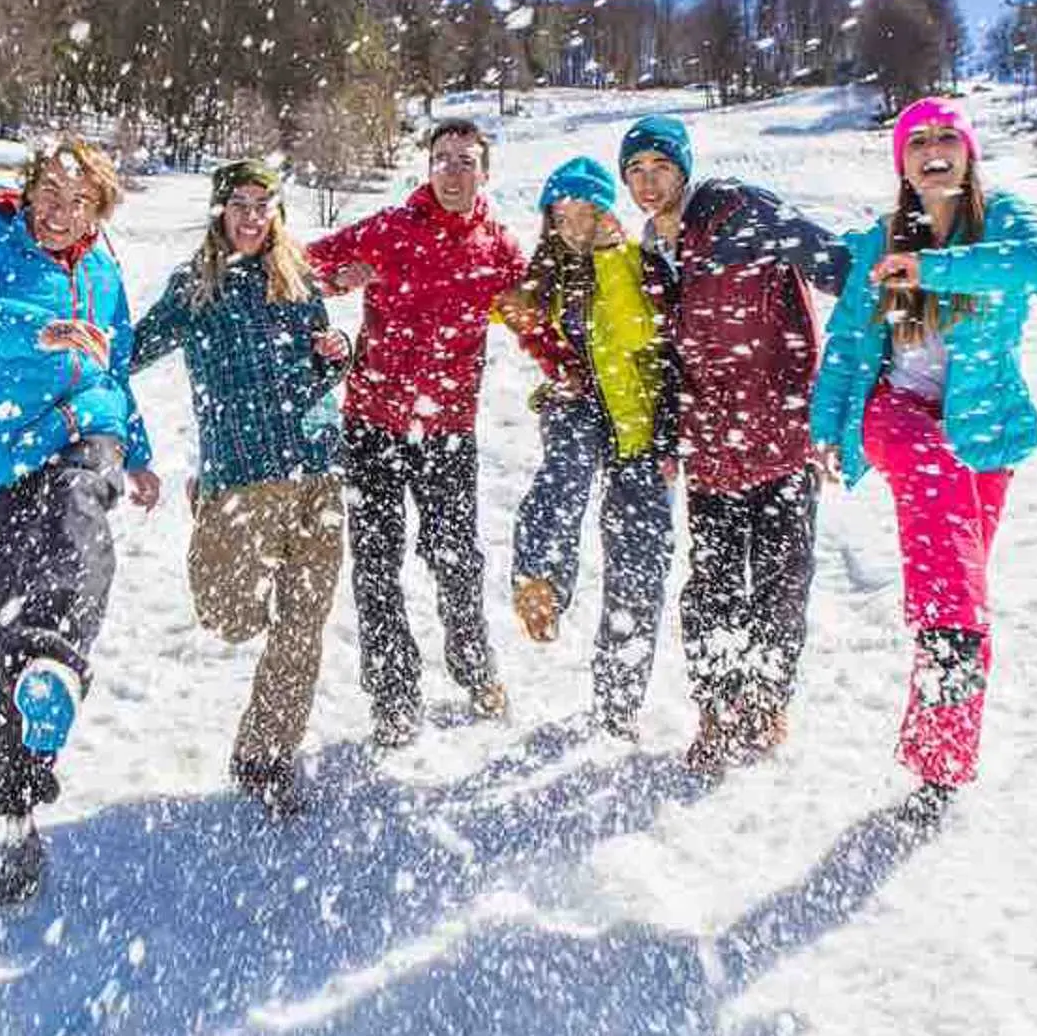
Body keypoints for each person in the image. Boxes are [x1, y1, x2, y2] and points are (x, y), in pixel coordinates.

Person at [811, 97, 1037, 820]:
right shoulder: (879, 241)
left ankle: (940, 763)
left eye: (946, 138)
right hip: (896, 415)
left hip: (982, 429)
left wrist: (935, 268)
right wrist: (824, 427)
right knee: (954, 601)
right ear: (901, 162)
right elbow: (844, 342)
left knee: (959, 577)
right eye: (917, 141)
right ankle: (953, 649)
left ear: (968, 152)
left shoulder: (1005, 224)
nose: (932, 150)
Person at [0, 138, 161, 904]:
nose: (56, 214)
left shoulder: (102, 270)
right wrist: (37, 328)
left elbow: (114, 367)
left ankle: (57, 658)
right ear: (28, 190)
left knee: (78, 520)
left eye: (76, 202)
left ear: (99, 211)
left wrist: (141, 448)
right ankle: (18, 811)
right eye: (48, 196)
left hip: (81, 429)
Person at [620, 114, 850, 775]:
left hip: (781, 437)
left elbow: (833, 263)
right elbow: (668, 357)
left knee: (781, 579)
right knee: (713, 586)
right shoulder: (652, 256)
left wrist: (834, 410)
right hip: (711, 446)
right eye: (635, 171)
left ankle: (768, 698)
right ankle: (718, 707)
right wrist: (669, 432)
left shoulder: (736, 211)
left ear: (683, 169)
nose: (648, 181)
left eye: (660, 166)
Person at [131, 160, 351, 816]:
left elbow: (319, 364)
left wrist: (337, 352)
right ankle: (211, 528)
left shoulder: (298, 277)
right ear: (219, 211)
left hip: (317, 469)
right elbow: (130, 353)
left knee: (301, 626)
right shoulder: (195, 288)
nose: (253, 217)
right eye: (241, 204)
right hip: (240, 477)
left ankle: (267, 754)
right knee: (226, 615)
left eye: (264, 205)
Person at [305, 119, 531, 749]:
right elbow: (304, 266)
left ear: (484, 171)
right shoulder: (390, 229)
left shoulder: (498, 248)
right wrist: (338, 280)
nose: (453, 171)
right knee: (376, 564)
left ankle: (473, 665)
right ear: (426, 168)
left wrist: (567, 370)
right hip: (372, 423)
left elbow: (537, 318)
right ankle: (394, 696)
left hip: (449, 431)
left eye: (466, 160)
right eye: (442, 159)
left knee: (456, 558)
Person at [506, 156, 676, 742]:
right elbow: (528, 326)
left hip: (638, 422)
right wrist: (556, 369)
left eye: (586, 209)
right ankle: (541, 582)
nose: (573, 223)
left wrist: (610, 258)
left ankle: (619, 703)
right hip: (578, 406)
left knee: (638, 559)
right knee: (564, 473)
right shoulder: (546, 274)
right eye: (561, 212)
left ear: (607, 211)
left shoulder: (632, 260)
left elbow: (635, 333)